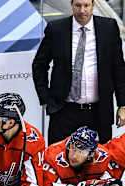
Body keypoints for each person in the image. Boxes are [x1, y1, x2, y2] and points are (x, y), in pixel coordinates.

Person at [32, 0, 125, 144]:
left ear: (93, 5)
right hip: (64, 112)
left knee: (98, 162)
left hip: (99, 113)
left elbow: (118, 68)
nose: (82, 10)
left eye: (86, 5)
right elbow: (39, 65)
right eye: (78, 5)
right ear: (71, 4)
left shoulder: (109, 27)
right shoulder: (56, 29)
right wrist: (45, 98)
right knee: (59, 161)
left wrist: (122, 105)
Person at [42, 127, 122, 186]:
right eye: (73, 148)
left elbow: (111, 179)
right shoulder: (51, 155)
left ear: (91, 154)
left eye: (81, 152)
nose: (74, 156)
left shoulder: (103, 157)